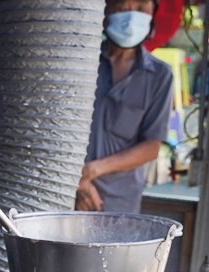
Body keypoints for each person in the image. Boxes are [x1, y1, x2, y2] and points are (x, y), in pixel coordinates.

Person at [75, 0, 174, 213]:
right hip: (66, 192)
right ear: (105, 10)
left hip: (119, 203)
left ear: (152, 11)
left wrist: (91, 171)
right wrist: (77, 181)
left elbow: (151, 147)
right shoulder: (80, 61)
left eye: (141, 8)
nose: (131, 17)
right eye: (122, 7)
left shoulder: (159, 75)